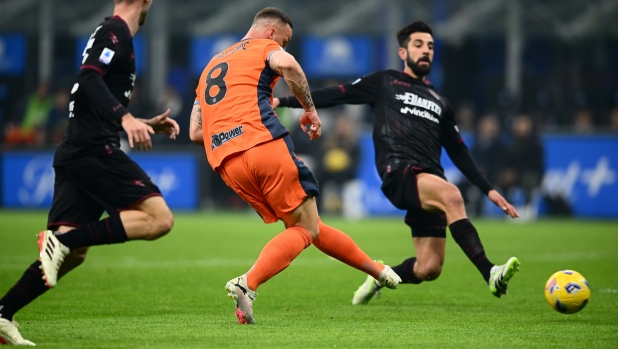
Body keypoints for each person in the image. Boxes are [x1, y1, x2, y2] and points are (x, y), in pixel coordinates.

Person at [273, 21, 521, 305]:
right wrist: (284, 101)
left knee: (428, 268)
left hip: (429, 180)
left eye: (429, 46)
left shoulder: (440, 101)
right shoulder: (385, 82)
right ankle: (490, 272)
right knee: (452, 195)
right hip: (400, 172)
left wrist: (489, 190)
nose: (425, 51)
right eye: (418, 45)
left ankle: (379, 275)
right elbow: (338, 94)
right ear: (403, 52)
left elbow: (459, 151)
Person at [189, 7, 400, 324]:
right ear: (272, 32)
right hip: (262, 145)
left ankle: (377, 270)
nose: (283, 47)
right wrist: (310, 111)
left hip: (226, 163)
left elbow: (195, 132)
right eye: (284, 40)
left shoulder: (210, 66)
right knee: (304, 227)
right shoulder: (265, 47)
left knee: (307, 226)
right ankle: (248, 283)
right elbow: (287, 64)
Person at [0, 0, 179, 345]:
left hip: (76, 151)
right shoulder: (116, 32)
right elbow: (87, 78)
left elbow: (91, 95)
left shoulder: (109, 32)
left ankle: (4, 312)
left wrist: (141, 123)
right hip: (95, 149)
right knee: (160, 219)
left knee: (74, 256)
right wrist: (126, 119)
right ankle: (59, 242)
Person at [499, 114, 544, 220]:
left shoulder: (536, 144)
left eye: (524, 123)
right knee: (501, 179)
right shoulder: (510, 144)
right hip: (514, 176)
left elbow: (535, 165)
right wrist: (506, 173)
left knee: (529, 179)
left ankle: (527, 207)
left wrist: (516, 173)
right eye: (519, 123)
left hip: (530, 175)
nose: (521, 126)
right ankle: (509, 208)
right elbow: (503, 162)